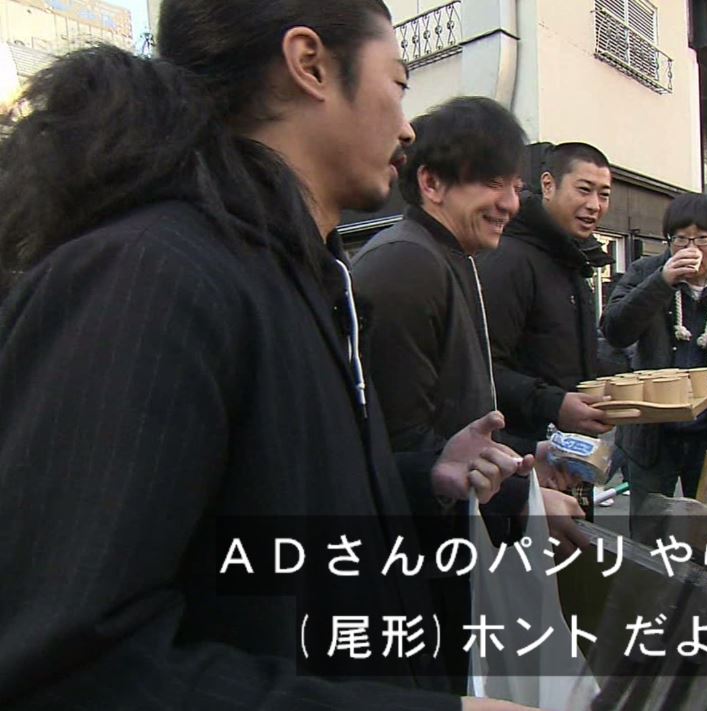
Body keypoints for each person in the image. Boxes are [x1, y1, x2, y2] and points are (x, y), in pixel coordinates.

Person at [0, 2, 534, 709]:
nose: (408, 128)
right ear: (310, 65)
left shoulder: (304, 277)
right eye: (398, 83)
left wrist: (421, 478)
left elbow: (262, 503)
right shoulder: (148, 275)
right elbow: (69, 671)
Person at [350, 97, 586, 694]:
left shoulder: (449, 255)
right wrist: (521, 500)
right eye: (491, 183)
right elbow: (404, 449)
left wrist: (525, 464)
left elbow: (460, 413)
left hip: (457, 542)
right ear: (430, 183)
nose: (511, 203)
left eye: (515, 186)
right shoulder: (406, 264)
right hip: (426, 562)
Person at [601, 193, 707, 543]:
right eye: (681, 239)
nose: (691, 248)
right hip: (651, 432)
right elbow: (615, 330)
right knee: (649, 534)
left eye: (702, 238)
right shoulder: (646, 273)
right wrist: (661, 282)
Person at [477, 142, 618, 515]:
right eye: (584, 189)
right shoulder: (510, 258)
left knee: (576, 544)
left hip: (571, 455)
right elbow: (483, 367)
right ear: (548, 185)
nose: (594, 205)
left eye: (604, 195)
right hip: (520, 461)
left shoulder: (573, 259)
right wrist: (554, 403)